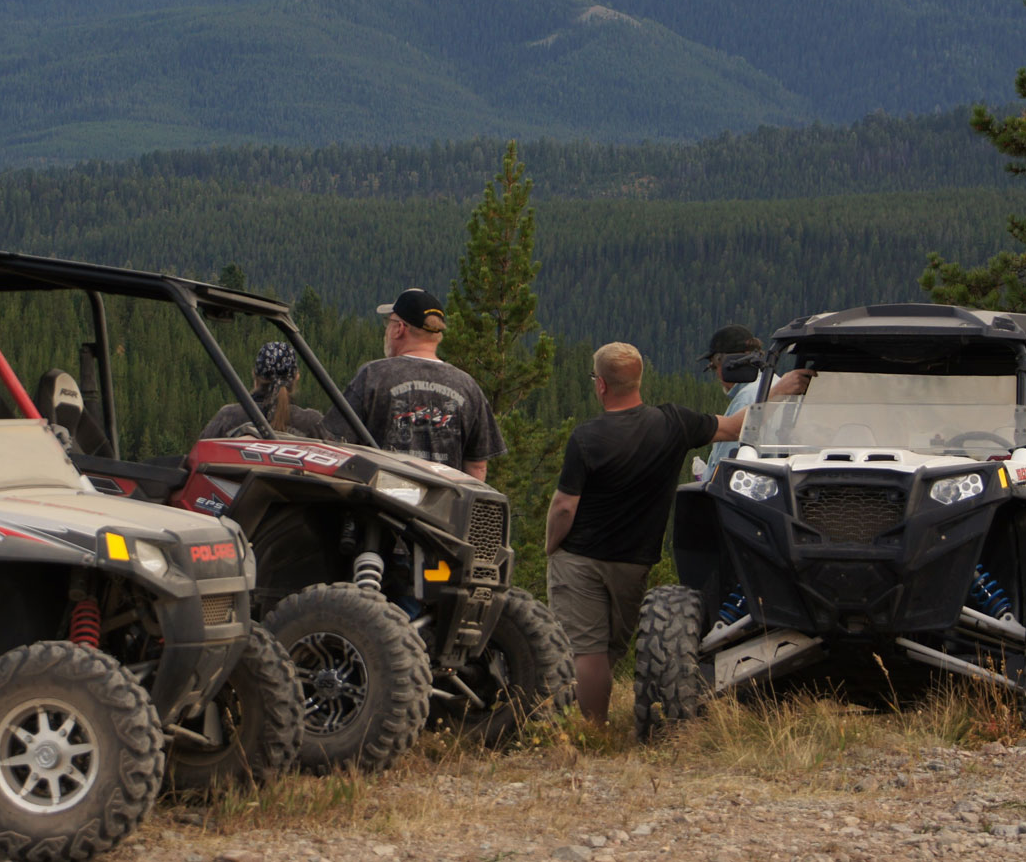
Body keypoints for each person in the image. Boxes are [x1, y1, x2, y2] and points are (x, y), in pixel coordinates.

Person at [544, 341, 807, 723]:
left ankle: (592, 730)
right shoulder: (674, 422)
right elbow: (736, 426)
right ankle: (600, 723)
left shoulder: (587, 437)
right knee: (610, 649)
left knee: (587, 650)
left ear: (601, 384)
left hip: (580, 558)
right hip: (634, 561)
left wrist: (552, 545)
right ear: (638, 379)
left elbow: (564, 506)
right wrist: (779, 390)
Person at [321, 287, 504, 479]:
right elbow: (477, 467)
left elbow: (335, 442)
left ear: (399, 329)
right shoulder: (468, 386)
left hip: (379, 496)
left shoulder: (373, 375)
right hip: (443, 498)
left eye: (389, 322)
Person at [200, 341, 327, 439]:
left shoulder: (228, 417)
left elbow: (199, 455)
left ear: (255, 375)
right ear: (296, 377)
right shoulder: (313, 423)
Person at [700, 323, 765, 481]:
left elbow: (727, 466)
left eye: (714, 366)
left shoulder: (747, 398)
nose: (717, 374)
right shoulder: (771, 384)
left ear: (729, 362)